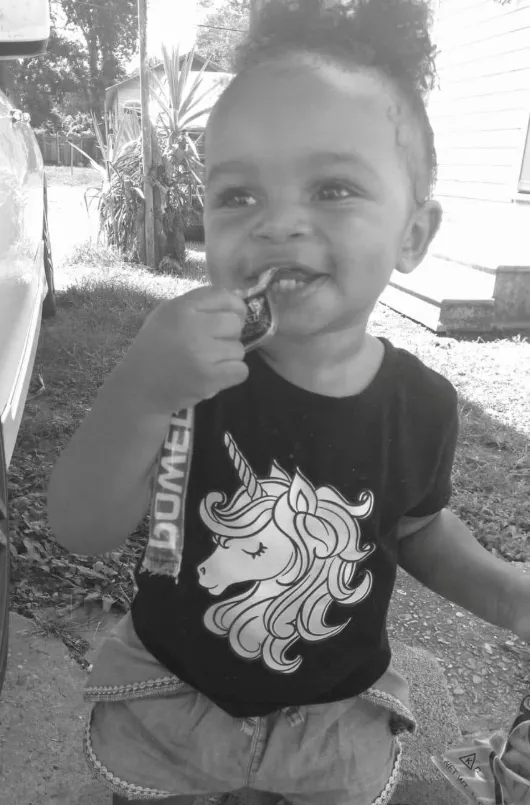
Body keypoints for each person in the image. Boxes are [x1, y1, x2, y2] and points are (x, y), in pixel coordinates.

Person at [47, 1, 530, 803]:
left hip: (334, 727)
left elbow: (418, 529)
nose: (276, 224)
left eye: (333, 188)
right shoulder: (187, 377)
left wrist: (512, 594)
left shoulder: (422, 404)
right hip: (170, 707)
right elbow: (81, 525)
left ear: (413, 234)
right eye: (238, 195)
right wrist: (141, 389)